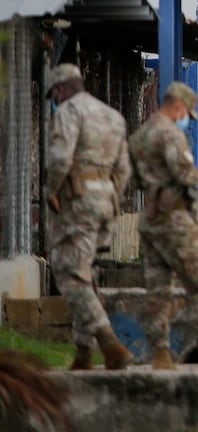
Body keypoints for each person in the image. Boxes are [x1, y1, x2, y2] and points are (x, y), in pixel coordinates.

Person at [127, 81, 198, 373]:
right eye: (186, 112)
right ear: (178, 106)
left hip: (150, 221)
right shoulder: (170, 134)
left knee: (157, 291)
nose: (185, 117)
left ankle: (161, 357)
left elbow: (136, 180)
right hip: (176, 221)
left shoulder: (139, 137)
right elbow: (184, 174)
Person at [43, 63, 134, 371]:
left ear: (61, 89)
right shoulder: (113, 116)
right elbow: (124, 169)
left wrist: (51, 190)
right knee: (85, 271)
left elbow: (59, 157)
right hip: (107, 202)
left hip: (78, 201)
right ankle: (83, 353)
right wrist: (111, 198)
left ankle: (109, 343)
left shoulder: (69, 111)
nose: (56, 98)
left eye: (54, 94)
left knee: (69, 271)